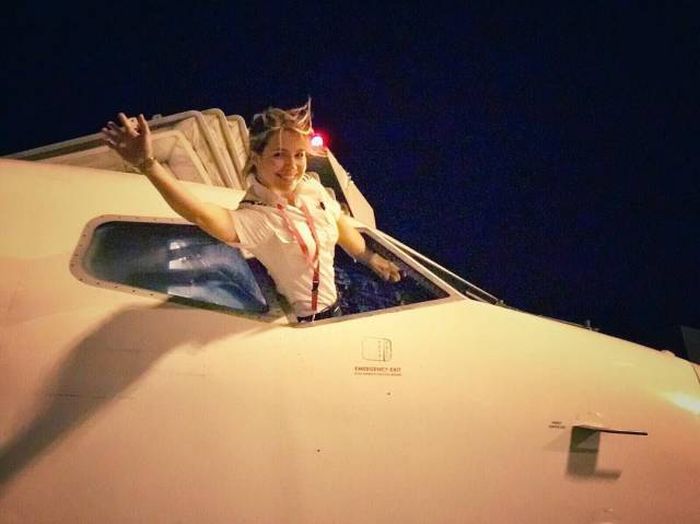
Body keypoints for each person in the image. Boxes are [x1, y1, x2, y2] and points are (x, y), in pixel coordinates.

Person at [101, 100, 401, 322]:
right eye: (279, 155)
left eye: (299, 155)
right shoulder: (258, 217)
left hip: (340, 307)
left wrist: (370, 258)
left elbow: (336, 219)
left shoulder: (312, 189)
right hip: (313, 322)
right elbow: (200, 215)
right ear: (256, 158)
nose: (292, 166)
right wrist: (148, 165)